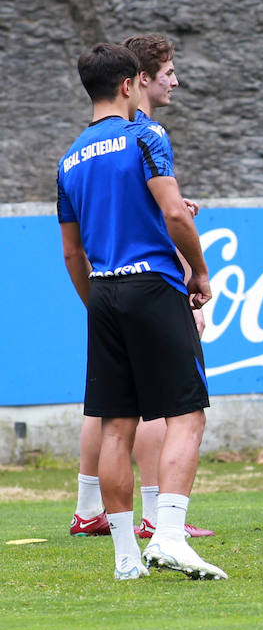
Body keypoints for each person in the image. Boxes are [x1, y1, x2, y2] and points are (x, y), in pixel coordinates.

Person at [57, 42, 226, 580]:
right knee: (187, 414)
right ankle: (171, 535)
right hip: (151, 285)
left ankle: (126, 557)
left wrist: (99, 304)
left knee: (115, 427)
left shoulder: (68, 161)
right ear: (130, 84)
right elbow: (174, 212)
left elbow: (71, 252)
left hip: (103, 291)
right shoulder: (145, 135)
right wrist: (198, 272)